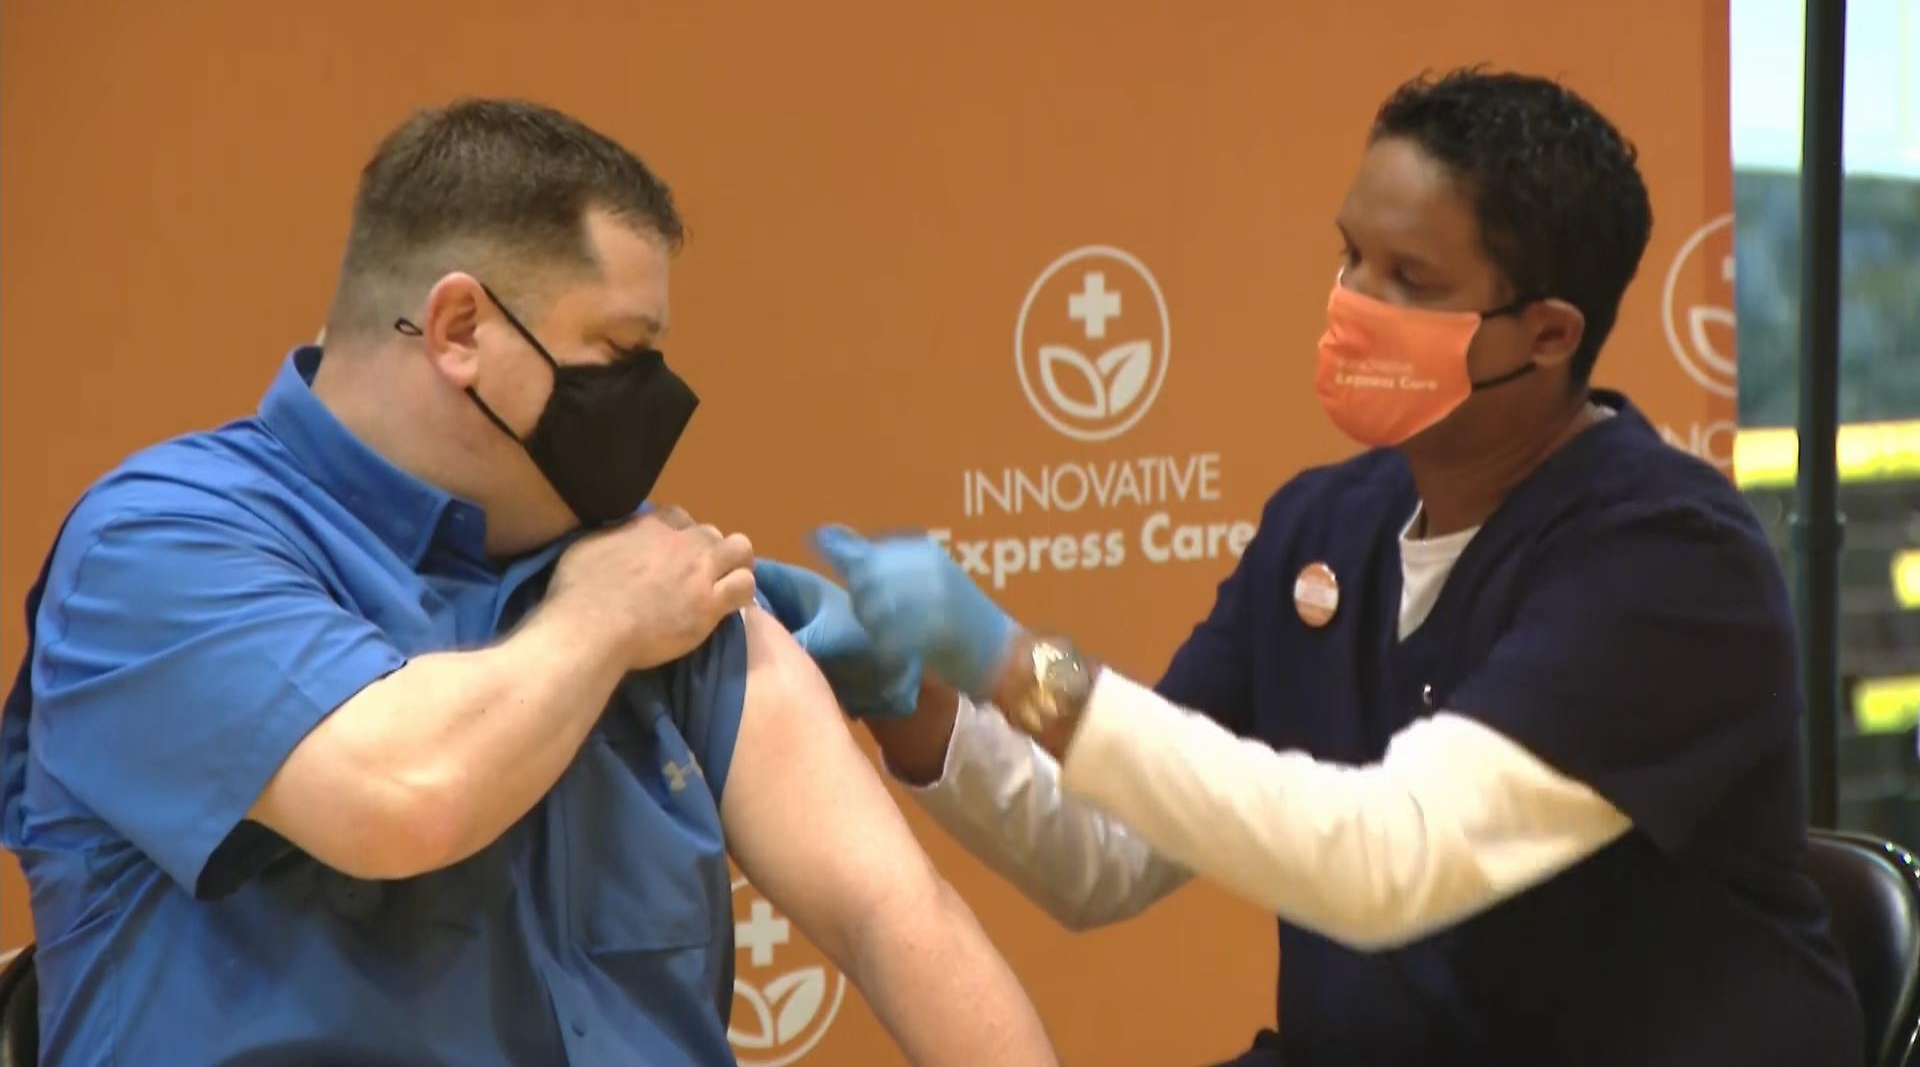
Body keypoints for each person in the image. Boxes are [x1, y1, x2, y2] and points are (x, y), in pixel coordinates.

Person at [758, 68, 1865, 1065]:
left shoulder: (1667, 561)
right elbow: (1107, 853)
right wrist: (918, 705)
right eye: (1350, 255)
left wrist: (1015, 661)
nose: (1352, 304)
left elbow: (1390, 861)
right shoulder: (1325, 525)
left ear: (1547, 335)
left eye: (1411, 278)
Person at [0, 97, 1055, 1065]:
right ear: (461, 331)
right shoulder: (160, 548)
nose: (650, 398)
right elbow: (406, 796)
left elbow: (895, 916)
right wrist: (598, 622)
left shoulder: (654, 573)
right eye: (618, 349)